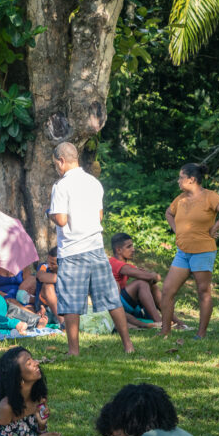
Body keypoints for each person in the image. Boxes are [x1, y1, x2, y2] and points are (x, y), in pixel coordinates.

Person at [48, 142, 134, 355]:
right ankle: (128, 345)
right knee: (112, 299)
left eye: (56, 164)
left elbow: (60, 220)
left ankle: (74, 350)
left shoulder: (61, 186)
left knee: (71, 302)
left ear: (61, 161)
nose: (57, 168)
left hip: (72, 251)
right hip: (95, 248)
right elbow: (100, 216)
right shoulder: (94, 183)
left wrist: (47, 212)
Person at [160, 163, 219, 339]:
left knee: (203, 291)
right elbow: (168, 213)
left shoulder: (210, 197)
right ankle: (165, 331)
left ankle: (200, 334)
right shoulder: (180, 199)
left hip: (203, 251)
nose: (178, 181)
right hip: (182, 252)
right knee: (167, 290)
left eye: (181, 177)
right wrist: (177, 230)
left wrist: (215, 227)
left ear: (191, 179)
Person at [108, 233, 187, 329]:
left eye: (132, 246)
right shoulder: (114, 262)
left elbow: (148, 276)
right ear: (119, 250)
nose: (133, 249)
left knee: (151, 285)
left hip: (126, 303)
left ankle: (176, 320)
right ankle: (159, 322)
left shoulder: (127, 265)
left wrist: (151, 278)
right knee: (141, 284)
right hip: (115, 304)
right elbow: (147, 275)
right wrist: (152, 276)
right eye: (129, 247)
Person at [34, 247, 63, 326]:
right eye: (48, 262)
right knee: (48, 286)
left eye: (53, 264)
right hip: (44, 309)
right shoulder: (44, 266)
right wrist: (65, 278)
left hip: (64, 308)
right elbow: (41, 276)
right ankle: (63, 323)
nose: (49, 265)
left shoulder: (67, 270)